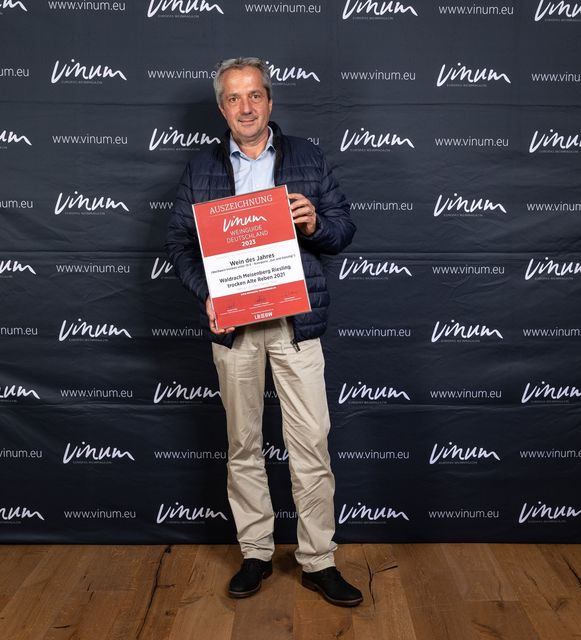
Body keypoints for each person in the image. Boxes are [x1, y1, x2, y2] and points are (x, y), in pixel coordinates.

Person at [165, 57, 362, 607]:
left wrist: (315, 223)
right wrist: (207, 294)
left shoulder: (307, 157)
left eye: (254, 95)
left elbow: (344, 228)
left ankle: (318, 560)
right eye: (234, 98)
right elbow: (179, 244)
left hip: (296, 323)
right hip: (234, 327)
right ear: (222, 108)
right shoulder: (200, 168)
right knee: (243, 444)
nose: (245, 107)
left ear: (270, 101)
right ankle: (255, 553)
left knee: (311, 443)